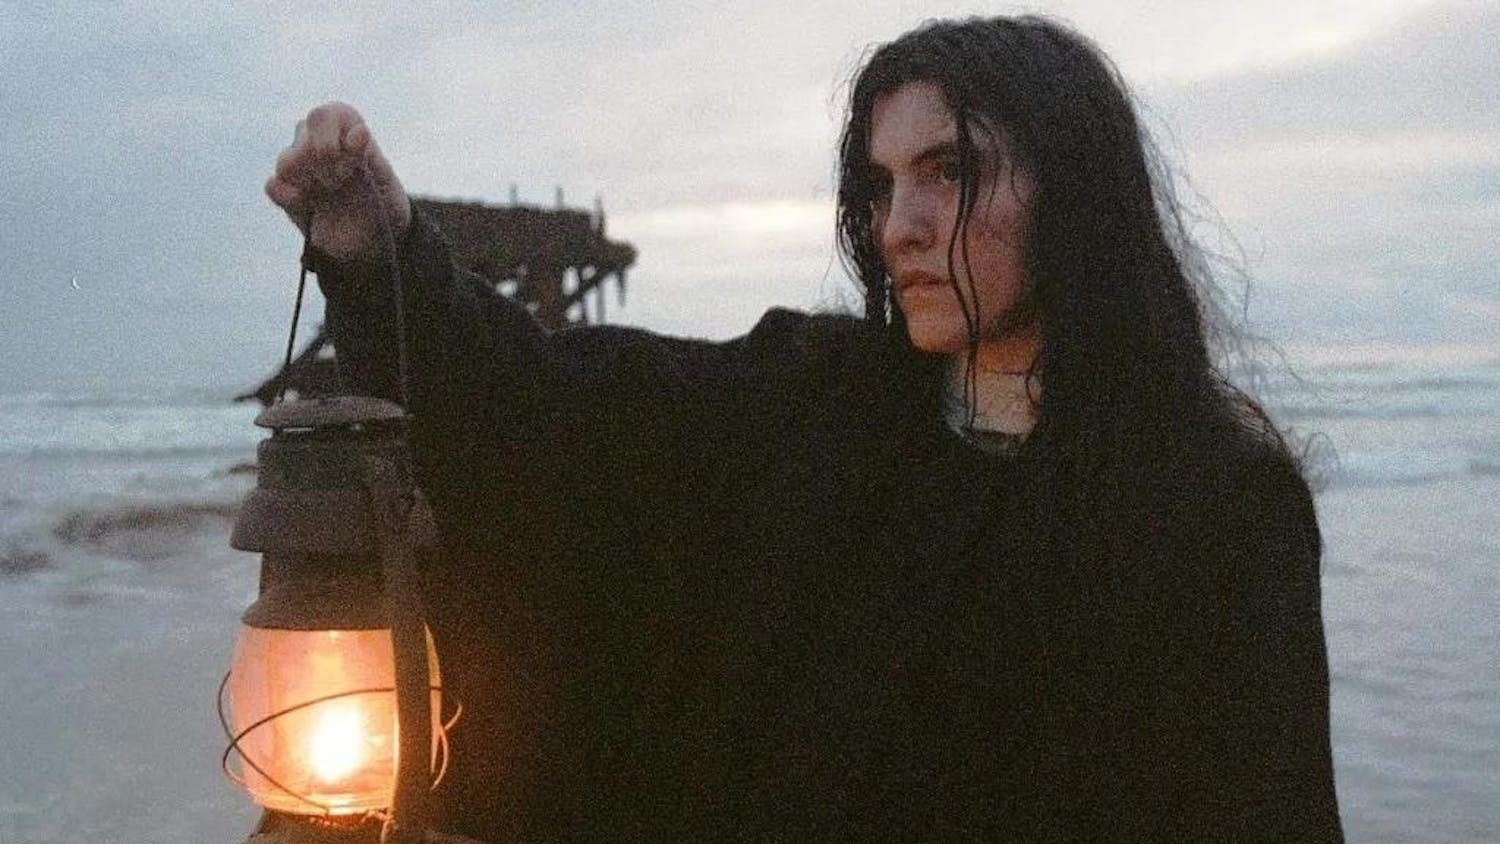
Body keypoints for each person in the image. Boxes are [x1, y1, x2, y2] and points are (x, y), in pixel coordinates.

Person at [267, 15, 1343, 842]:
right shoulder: (821, 401)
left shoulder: (1214, 505)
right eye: (880, 186)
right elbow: (554, 406)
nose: (900, 226)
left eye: (950, 172)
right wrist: (385, 254)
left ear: (1078, 193)